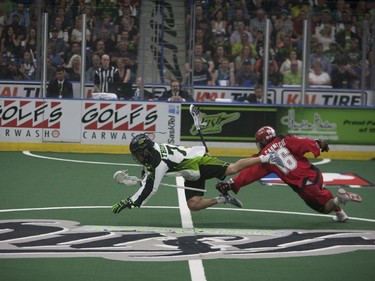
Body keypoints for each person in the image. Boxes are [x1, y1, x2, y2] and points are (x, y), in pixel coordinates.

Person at [215, 126, 363, 222]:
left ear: (261, 141)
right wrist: (318, 143)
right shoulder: (284, 139)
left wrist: (230, 184)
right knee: (322, 192)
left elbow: (249, 174)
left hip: (304, 186)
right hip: (315, 174)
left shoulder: (265, 157)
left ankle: (339, 201)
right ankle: (341, 215)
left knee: (324, 208)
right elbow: (303, 143)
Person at [112, 133, 284, 213]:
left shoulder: (159, 162)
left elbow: (151, 188)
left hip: (199, 162)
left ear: (146, 151)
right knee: (193, 205)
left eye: (138, 153)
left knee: (233, 169)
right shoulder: (153, 153)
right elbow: (148, 175)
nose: (138, 156)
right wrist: (137, 180)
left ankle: (268, 157)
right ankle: (223, 199)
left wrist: (130, 201)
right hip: (191, 173)